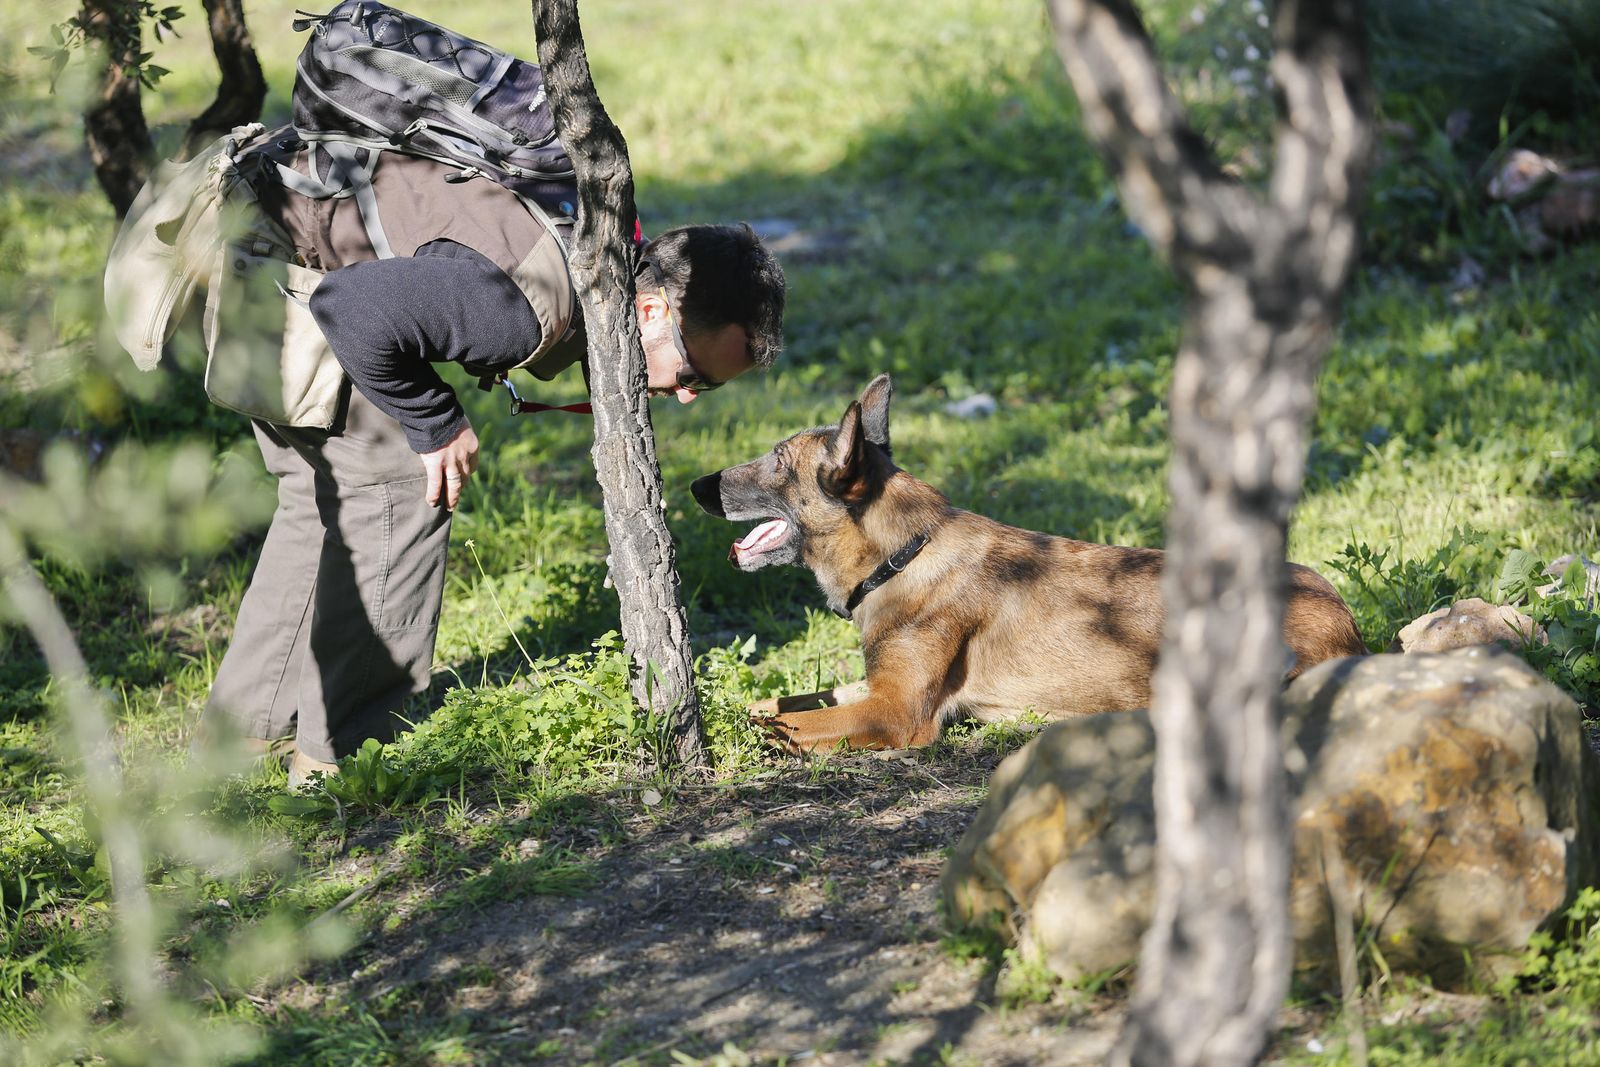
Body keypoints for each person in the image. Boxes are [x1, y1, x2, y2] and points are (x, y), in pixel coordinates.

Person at [194, 144, 787, 787]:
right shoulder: (521, 309)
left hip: (268, 238)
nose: (690, 395)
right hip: (281, 270)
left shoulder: (591, 247)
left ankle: (244, 738)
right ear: (649, 310)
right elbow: (353, 308)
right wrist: (434, 422)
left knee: (320, 497)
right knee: (402, 482)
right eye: (695, 372)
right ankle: (338, 766)